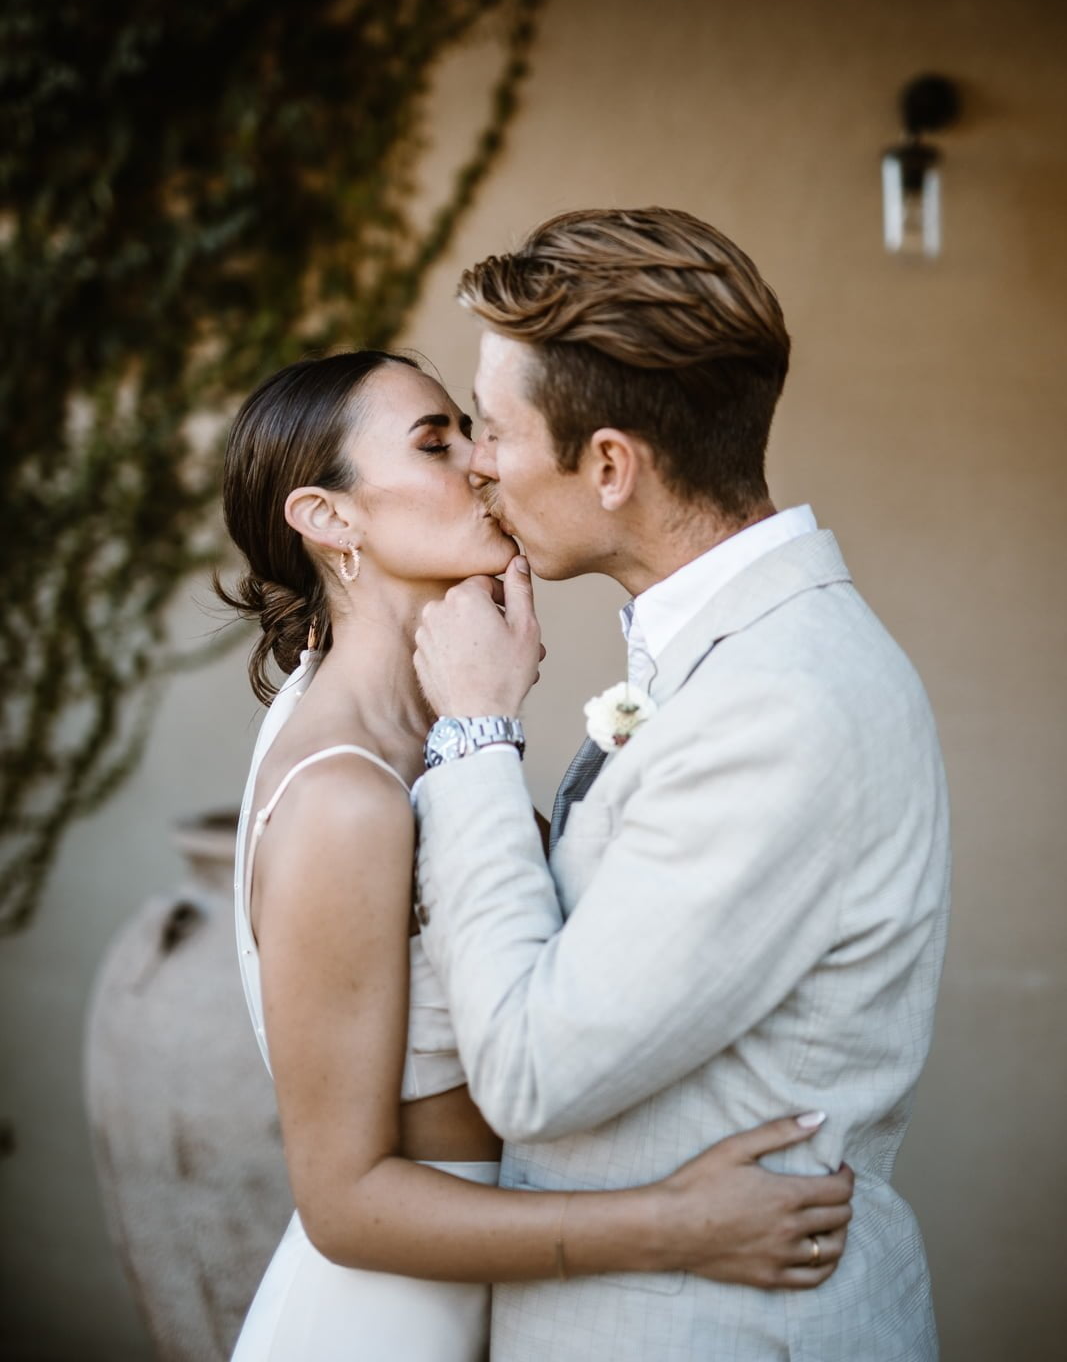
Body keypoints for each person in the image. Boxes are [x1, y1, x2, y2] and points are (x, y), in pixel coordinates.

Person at [218, 350, 854, 1362]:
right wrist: (678, 1223)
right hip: (388, 1325)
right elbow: (343, 1203)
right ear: (329, 518)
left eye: (471, 432)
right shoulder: (343, 797)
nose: (480, 461)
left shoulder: (429, 731)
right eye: (435, 444)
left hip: (502, 1304)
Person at [411, 207, 951, 1361]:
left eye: (491, 427)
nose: (476, 461)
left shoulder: (780, 705)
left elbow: (530, 1070)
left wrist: (473, 732)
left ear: (610, 465)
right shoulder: (734, 654)